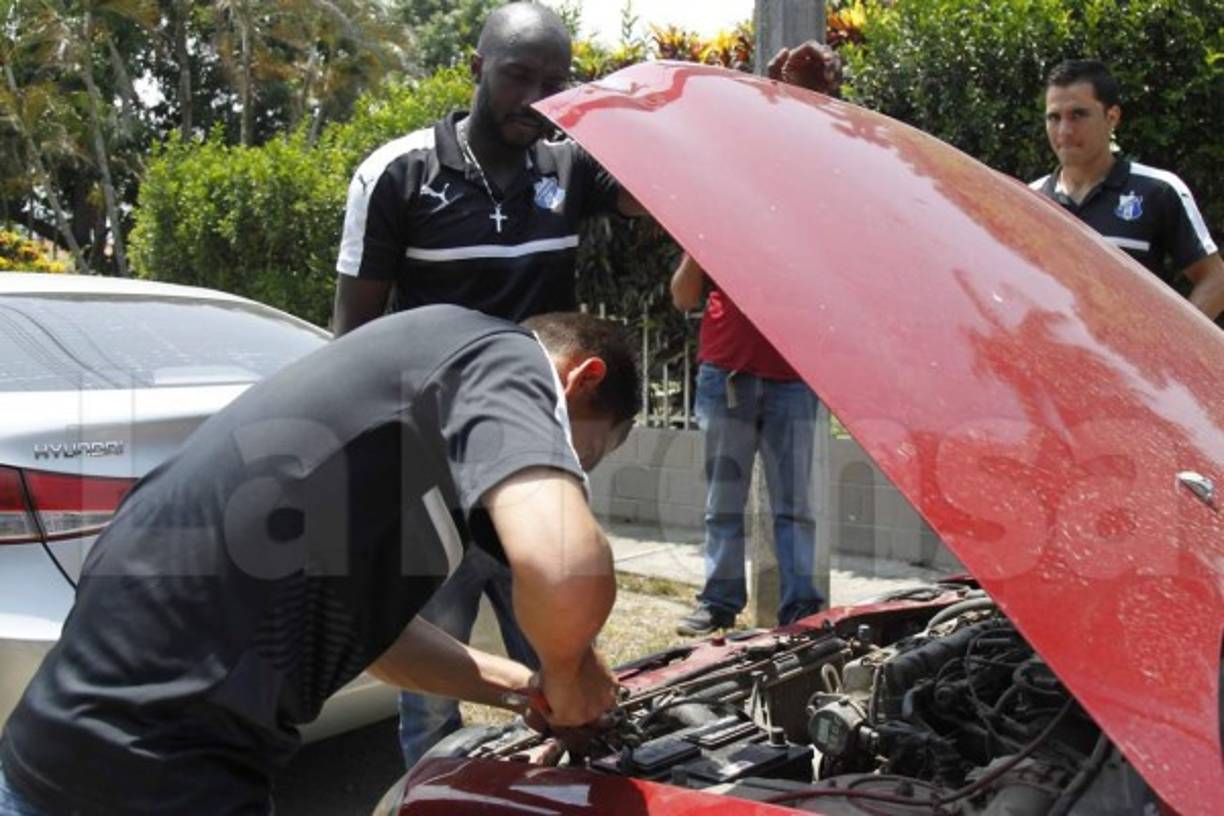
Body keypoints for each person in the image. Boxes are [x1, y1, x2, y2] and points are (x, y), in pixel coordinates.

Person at [0, 307, 639, 815]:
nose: (568, 471)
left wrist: (523, 687)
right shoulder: (498, 357)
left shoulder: (408, 425)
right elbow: (563, 569)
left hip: (53, 752)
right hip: (166, 769)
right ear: (581, 380)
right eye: (584, 455)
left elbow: (374, 643)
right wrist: (568, 673)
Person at [330, 2, 643, 768]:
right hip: (429, 473)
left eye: (554, 84)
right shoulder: (398, 174)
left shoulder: (568, 167)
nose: (534, 99)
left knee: (565, 661)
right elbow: (355, 337)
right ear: (474, 69)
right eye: (517, 76)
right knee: (432, 692)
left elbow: (658, 193)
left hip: (533, 463)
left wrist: (598, 114)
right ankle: (430, 790)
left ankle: (564, 784)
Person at [670, 255, 824, 635]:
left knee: (794, 505)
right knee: (723, 502)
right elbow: (683, 298)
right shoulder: (718, 223)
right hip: (725, 375)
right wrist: (695, 250)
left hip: (791, 377)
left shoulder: (800, 230)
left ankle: (800, 607)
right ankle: (719, 603)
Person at [1030, 59, 1224, 320]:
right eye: (1054, 118)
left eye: (1078, 115)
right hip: (1050, 357)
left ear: (1112, 117)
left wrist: (1169, 348)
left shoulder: (1157, 190)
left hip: (1129, 360)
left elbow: (1216, 280)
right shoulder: (1030, 199)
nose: (1064, 130)